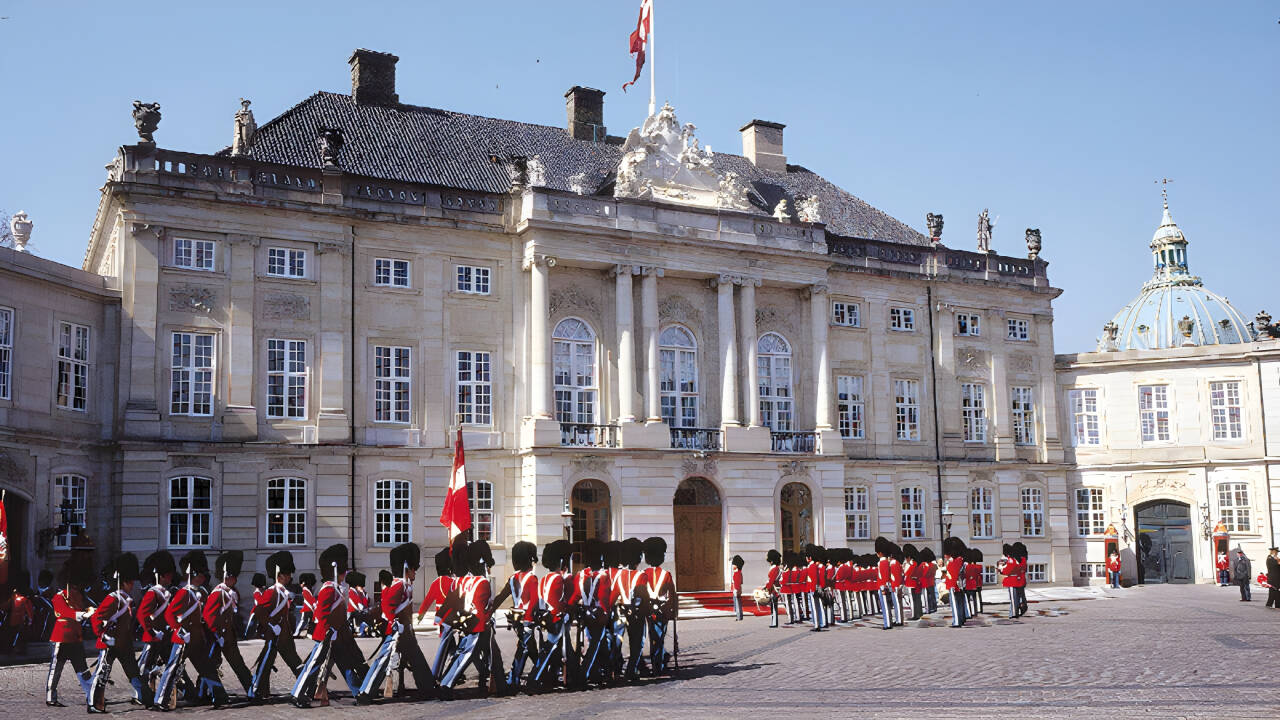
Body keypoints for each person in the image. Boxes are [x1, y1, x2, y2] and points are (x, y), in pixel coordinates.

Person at [291, 543, 369, 708]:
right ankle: (297, 694)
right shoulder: (328, 589)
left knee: (346, 665)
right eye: (343, 571)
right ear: (336, 570)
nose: (344, 574)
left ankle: (358, 692)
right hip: (326, 636)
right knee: (313, 666)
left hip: (335, 637)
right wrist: (328, 632)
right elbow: (321, 614)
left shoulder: (336, 589)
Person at [358, 541, 436, 703]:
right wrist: (394, 623)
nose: (415, 571)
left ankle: (428, 688)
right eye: (414, 568)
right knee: (382, 661)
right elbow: (387, 607)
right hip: (396, 631)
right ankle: (365, 692)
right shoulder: (399, 584)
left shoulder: (405, 585)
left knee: (417, 660)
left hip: (406, 631)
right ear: (407, 567)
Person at [156, 550, 225, 709]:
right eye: (200, 575)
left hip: (196, 638)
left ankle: (220, 696)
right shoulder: (184, 593)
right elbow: (169, 614)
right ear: (193, 575)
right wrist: (180, 631)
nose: (203, 578)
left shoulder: (199, 592)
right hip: (183, 638)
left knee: (207, 667)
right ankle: (161, 700)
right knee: (173, 669)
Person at [89, 552, 149, 711]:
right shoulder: (112, 598)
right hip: (110, 642)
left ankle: (142, 696)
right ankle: (94, 703)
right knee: (102, 674)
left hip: (124, 643)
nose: (132, 585)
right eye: (130, 582)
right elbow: (97, 619)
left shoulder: (126, 599)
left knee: (133, 671)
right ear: (124, 582)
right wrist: (103, 635)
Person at [46, 533, 95, 707]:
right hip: (61, 637)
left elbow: (82, 609)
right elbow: (65, 612)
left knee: (82, 668)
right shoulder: (59, 596)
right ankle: (50, 696)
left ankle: (91, 694)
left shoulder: (78, 595)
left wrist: (91, 612)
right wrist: (82, 614)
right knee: (56, 669)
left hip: (75, 637)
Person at [249, 550, 303, 701]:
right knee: (266, 664)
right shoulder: (272, 592)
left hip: (283, 636)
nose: (290, 577)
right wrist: (271, 625)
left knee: (293, 662)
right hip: (275, 636)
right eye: (287, 574)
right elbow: (258, 611)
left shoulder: (282, 592)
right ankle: (257, 691)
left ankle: (306, 687)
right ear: (280, 575)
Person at [490, 540, 539, 691]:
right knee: (524, 649)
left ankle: (540, 673)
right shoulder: (532, 579)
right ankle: (515, 679)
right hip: (527, 620)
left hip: (516, 619)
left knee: (530, 649)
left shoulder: (512, 578)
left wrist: (489, 610)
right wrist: (530, 619)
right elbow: (534, 602)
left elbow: (500, 598)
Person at [204, 550, 253, 698]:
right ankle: (203, 693)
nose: (235, 579)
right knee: (210, 666)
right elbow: (209, 616)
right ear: (227, 576)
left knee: (237, 664)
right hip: (218, 637)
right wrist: (217, 634)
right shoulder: (218, 593)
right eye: (233, 576)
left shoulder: (229, 592)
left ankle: (252, 690)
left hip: (227, 637)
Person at [416, 547, 457, 682]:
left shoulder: (436, 583)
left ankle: (451, 667)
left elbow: (427, 601)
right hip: (452, 615)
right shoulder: (454, 582)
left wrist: (420, 616)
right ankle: (439, 672)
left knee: (449, 643)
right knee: (447, 644)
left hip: (441, 617)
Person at [637, 537, 676, 675]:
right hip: (662, 610)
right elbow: (672, 595)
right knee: (659, 637)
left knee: (652, 635)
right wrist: (672, 610)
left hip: (648, 610)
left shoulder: (643, 574)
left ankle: (656, 663)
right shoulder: (666, 574)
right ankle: (658, 665)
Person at [944, 537, 967, 628]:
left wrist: (953, 586)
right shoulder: (960, 559)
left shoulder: (955, 561)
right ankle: (960, 619)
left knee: (954, 604)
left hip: (953, 585)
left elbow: (954, 574)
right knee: (959, 603)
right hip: (957, 584)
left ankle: (956, 621)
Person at [729, 555, 745, 621]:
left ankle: (739, 616)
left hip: (736, 589)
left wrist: (737, 590)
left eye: (734, 564)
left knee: (738, 604)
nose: (733, 566)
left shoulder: (737, 573)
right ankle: (739, 616)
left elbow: (737, 583)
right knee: (737, 603)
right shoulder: (738, 572)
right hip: (736, 589)